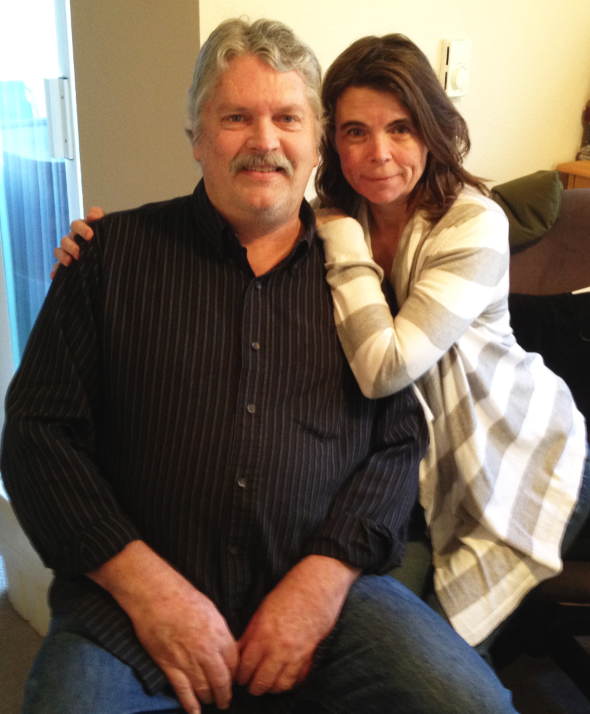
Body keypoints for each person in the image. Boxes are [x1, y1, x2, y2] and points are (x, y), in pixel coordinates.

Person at [0, 18, 518, 714]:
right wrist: (149, 592)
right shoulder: (107, 258)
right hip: (130, 612)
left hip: (332, 603)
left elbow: (398, 443)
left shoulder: (361, 279)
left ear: (315, 142)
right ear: (196, 136)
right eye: (236, 117)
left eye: (287, 118)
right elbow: (36, 436)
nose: (265, 140)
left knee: (471, 703)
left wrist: (321, 582)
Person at [312, 33, 589, 647]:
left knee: (441, 656)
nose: (379, 153)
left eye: (401, 128)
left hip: (523, 457)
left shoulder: (471, 222)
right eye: (355, 131)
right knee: (363, 639)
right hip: (409, 475)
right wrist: (107, 243)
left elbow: (384, 368)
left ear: (432, 130)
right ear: (332, 139)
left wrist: (345, 244)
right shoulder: (336, 216)